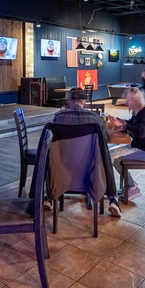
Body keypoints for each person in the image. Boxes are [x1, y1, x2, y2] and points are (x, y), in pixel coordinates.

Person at [52, 88, 123, 216]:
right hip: (90, 169)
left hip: (63, 167)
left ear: (69, 101)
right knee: (104, 153)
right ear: (84, 101)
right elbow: (105, 138)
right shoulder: (94, 118)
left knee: (49, 154)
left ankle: (49, 197)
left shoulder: (58, 117)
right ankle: (112, 199)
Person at [106, 87, 145, 200]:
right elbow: (132, 125)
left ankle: (132, 188)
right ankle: (129, 186)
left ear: (136, 100)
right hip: (141, 146)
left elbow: (141, 132)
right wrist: (120, 121)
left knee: (113, 158)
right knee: (108, 154)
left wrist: (125, 125)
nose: (126, 102)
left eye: (129, 100)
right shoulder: (140, 112)